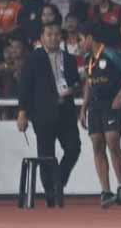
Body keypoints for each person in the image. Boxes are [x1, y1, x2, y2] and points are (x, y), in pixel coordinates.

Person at [17, 19, 82, 203]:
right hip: (43, 113)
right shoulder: (33, 58)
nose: (53, 38)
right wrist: (22, 112)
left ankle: (58, 182)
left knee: (73, 148)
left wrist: (72, 88)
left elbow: (76, 82)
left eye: (56, 35)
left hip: (66, 112)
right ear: (42, 37)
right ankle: (50, 194)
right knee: (46, 155)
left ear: (61, 37)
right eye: (49, 35)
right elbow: (24, 87)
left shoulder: (69, 59)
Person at [79, 23, 121, 208]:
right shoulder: (88, 59)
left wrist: (120, 96)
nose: (79, 44)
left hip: (112, 102)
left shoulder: (112, 54)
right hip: (95, 106)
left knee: (112, 140)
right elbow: (88, 83)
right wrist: (83, 108)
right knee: (97, 143)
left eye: (80, 39)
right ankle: (105, 191)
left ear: (89, 38)